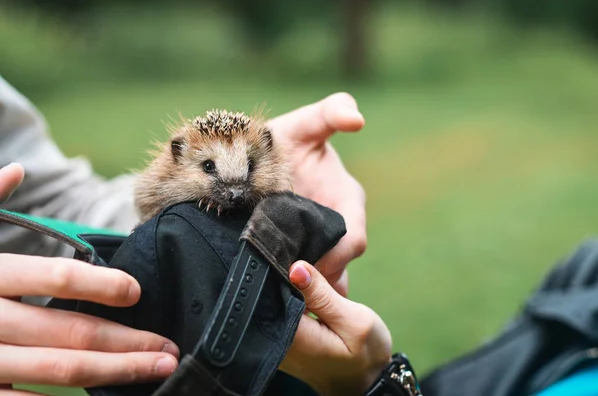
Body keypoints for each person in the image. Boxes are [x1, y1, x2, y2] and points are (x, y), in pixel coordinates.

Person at [0, 75, 376, 393]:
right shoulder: (160, 185)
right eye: (210, 168)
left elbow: (52, 204)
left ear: (267, 153)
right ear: (178, 157)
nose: (233, 189)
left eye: (248, 166)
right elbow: (147, 200)